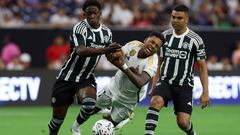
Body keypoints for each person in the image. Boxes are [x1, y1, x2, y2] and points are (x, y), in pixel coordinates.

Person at [47, 0, 122, 135]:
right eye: (88, 14)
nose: (92, 16)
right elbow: (80, 51)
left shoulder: (106, 32)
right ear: (84, 14)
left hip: (86, 77)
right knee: (57, 121)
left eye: (94, 13)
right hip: (67, 77)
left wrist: (125, 68)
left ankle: (75, 127)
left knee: (89, 104)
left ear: (100, 14)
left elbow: (110, 55)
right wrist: (105, 50)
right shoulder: (79, 28)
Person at [145, 4, 210, 135]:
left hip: (184, 86)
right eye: (173, 17)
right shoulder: (164, 37)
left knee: (183, 122)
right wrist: (153, 85)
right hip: (165, 82)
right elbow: (159, 63)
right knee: (155, 102)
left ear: (187, 19)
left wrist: (205, 92)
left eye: (179, 18)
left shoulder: (195, 40)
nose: (175, 20)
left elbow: (202, 67)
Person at [92, 31, 164, 129]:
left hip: (131, 95)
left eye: (156, 46)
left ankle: (123, 117)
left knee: (109, 124)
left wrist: (124, 66)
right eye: (152, 42)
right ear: (146, 40)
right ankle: (112, 111)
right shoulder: (133, 44)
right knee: (92, 108)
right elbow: (118, 56)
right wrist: (112, 54)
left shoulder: (152, 62)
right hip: (118, 85)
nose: (153, 46)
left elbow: (140, 82)